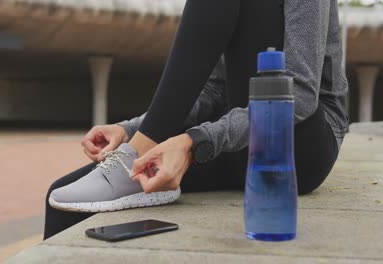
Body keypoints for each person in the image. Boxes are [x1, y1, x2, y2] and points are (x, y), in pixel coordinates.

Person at [44, 0, 348, 240]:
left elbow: (301, 95)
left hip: (300, 146)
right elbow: (215, 90)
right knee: (62, 199)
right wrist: (130, 129)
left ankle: (134, 156)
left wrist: (195, 142)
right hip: (239, 138)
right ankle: (136, 149)